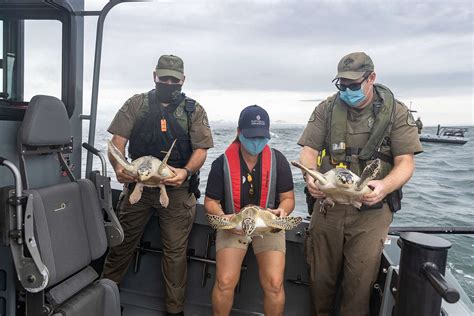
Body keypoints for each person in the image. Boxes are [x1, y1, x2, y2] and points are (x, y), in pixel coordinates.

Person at [298, 52, 422, 315]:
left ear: (371, 78)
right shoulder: (326, 109)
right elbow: (308, 152)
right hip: (328, 205)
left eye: (354, 85)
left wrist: (385, 187)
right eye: (342, 85)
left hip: (370, 212)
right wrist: (310, 177)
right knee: (320, 281)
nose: (347, 90)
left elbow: (406, 163)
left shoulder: (396, 112)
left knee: (358, 287)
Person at [102, 54, 214, 316]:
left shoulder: (193, 110)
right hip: (137, 187)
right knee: (121, 245)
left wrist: (185, 172)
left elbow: (201, 151)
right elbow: (117, 142)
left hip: (175, 191)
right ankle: (102, 298)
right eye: (164, 77)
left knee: (175, 255)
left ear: (182, 80)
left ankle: (174, 311)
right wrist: (120, 168)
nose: (168, 82)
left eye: (174, 79)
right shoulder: (137, 104)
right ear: (155, 76)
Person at [204, 105, 295, 316]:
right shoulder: (221, 163)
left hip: (268, 224)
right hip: (234, 224)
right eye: (251, 136)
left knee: (274, 282)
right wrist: (222, 216)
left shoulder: (278, 160)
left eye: (261, 137)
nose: (256, 141)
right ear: (239, 133)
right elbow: (210, 201)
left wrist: (282, 211)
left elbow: (288, 199)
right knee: (225, 281)